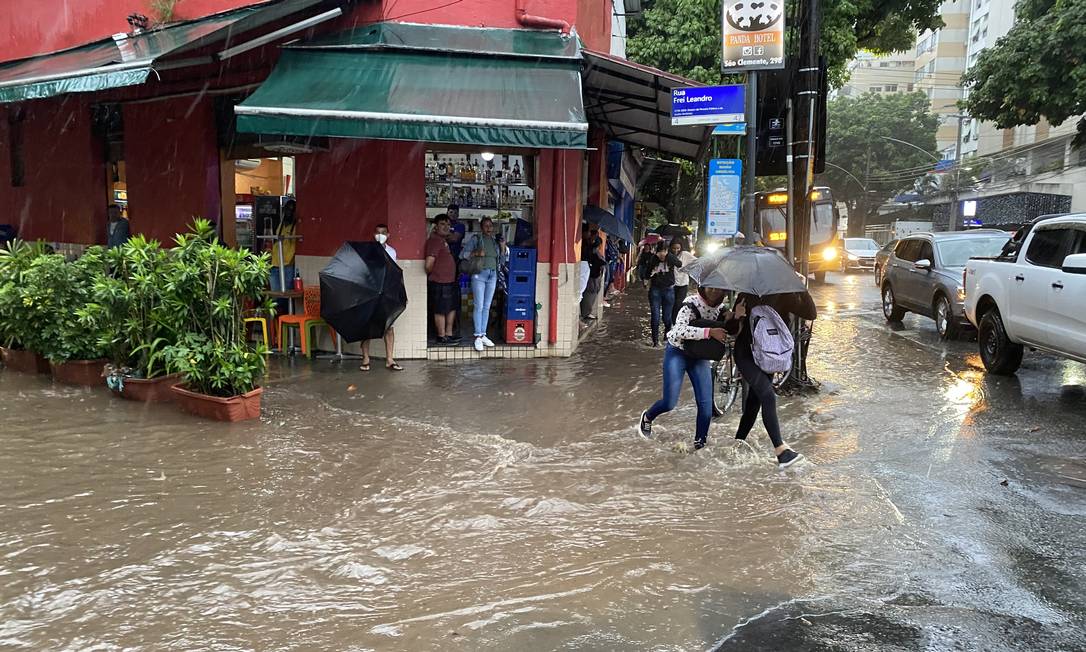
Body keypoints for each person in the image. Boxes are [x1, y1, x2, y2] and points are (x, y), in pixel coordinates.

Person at [725, 292, 815, 468]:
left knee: (753, 403)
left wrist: (801, 290)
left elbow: (811, 314)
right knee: (768, 395)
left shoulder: (784, 295)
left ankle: (737, 443)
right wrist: (737, 316)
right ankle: (781, 451)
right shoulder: (746, 295)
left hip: (769, 356)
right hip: (746, 355)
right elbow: (731, 329)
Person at [638, 287, 734, 449]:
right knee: (669, 402)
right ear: (702, 287)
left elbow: (732, 331)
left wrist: (736, 316)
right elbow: (677, 332)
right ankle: (647, 417)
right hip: (677, 353)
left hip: (699, 357)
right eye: (710, 287)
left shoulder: (722, 309)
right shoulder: (689, 305)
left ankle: (700, 444)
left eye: (718, 289)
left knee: (705, 406)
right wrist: (709, 332)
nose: (713, 291)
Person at [461, 217, 508, 352]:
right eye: (486, 226)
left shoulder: (494, 242)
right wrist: (476, 252)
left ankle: (483, 335)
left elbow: (503, 261)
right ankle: (477, 336)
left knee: (486, 307)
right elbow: (463, 254)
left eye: (490, 226)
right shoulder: (476, 239)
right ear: (481, 227)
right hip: (479, 275)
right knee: (479, 305)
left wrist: (503, 246)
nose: (488, 228)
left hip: (492, 275)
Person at [361, 224, 403, 371]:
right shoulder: (368, 252)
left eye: (383, 233)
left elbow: (394, 272)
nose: (380, 235)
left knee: (389, 326)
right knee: (367, 327)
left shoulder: (392, 252)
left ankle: (390, 359)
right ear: (374, 234)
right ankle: (365, 358)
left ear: (388, 235)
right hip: (370, 292)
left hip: (386, 292)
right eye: (378, 232)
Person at [425, 214, 460, 346]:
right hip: (439, 282)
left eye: (448, 224)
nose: (446, 227)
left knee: (451, 307)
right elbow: (428, 265)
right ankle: (441, 336)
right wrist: (435, 274)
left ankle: (448, 334)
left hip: (449, 281)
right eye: (442, 224)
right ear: (435, 227)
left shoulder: (443, 241)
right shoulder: (434, 241)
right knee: (440, 309)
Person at [642, 241, 683, 347]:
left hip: (669, 290)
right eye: (659, 252)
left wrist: (669, 256)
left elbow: (679, 264)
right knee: (655, 316)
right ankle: (655, 341)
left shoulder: (670, 258)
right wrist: (646, 282)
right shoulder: (653, 259)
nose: (662, 255)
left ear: (667, 251)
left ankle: (667, 334)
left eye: (664, 252)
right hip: (655, 290)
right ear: (656, 252)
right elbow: (646, 273)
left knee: (666, 317)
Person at [270, 199, 297, 292]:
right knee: (275, 294)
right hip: (274, 263)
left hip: (287, 265)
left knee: (286, 293)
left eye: (291, 210)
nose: (289, 212)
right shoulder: (281, 223)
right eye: (287, 209)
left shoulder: (296, 226)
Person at [580, 226, 607, 321]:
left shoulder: (590, 246)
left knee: (592, 292)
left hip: (593, 273)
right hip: (590, 273)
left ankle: (587, 312)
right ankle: (585, 313)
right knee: (588, 293)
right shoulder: (584, 245)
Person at [670, 239, 697, 323]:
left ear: (681, 248)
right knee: (672, 304)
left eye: (678, 248)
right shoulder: (669, 256)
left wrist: (689, 269)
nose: (676, 250)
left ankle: (675, 322)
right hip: (672, 284)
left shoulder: (685, 254)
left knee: (679, 304)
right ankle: (672, 321)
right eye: (674, 248)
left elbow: (696, 261)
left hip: (683, 284)